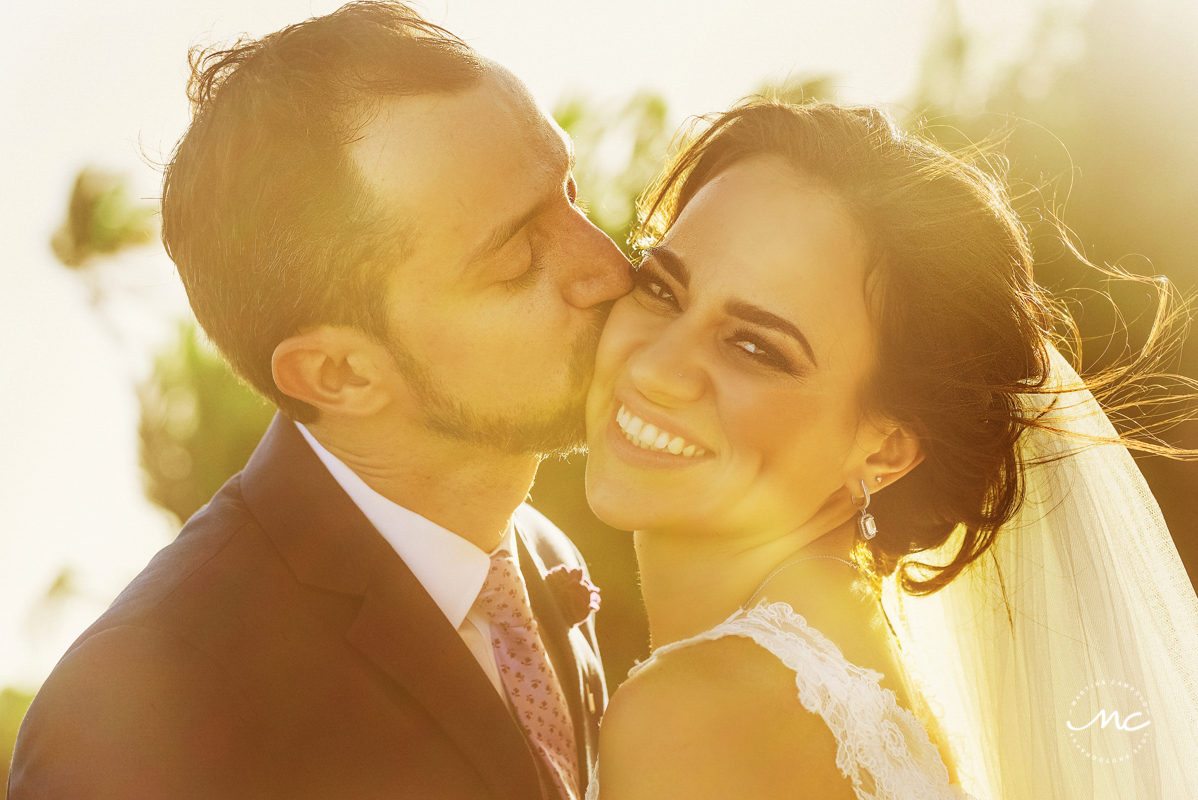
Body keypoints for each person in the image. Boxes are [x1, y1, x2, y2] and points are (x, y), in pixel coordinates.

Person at [8, 3, 629, 799]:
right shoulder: (143, 705)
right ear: (337, 373)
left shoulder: (537, 557)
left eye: (568, 191)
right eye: (515, 260)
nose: (608, 269)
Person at [582, 101, 1198, 798]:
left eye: (756, 346)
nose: (655, 369)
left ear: (888, 451)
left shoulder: (698, 718)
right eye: (662, 289)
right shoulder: (875, 696)